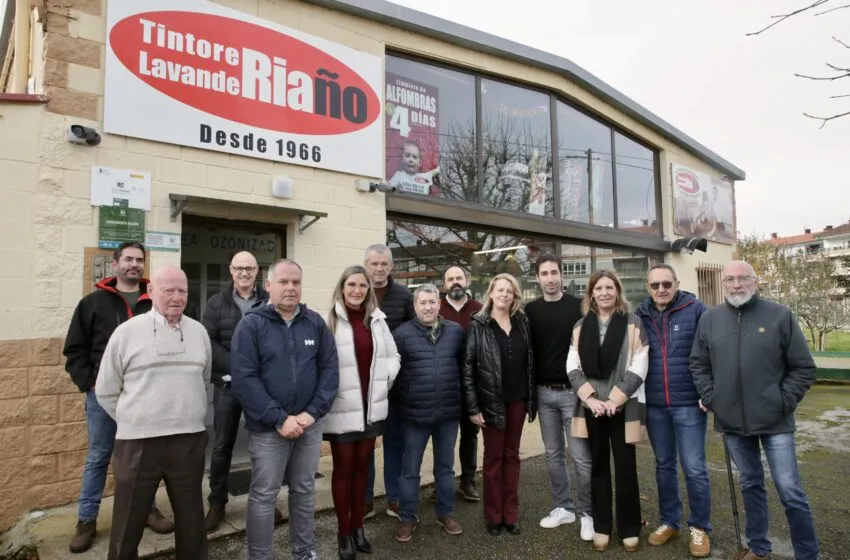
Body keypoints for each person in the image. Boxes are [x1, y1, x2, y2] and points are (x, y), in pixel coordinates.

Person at [690, 260, 819, 560]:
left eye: (743, 279)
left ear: (755, 281)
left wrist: (782, 402)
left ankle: (808, 554)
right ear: (723, 284)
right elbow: (698, 363)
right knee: (750, 484)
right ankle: (759, 548)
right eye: (730, 279)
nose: (736, 285)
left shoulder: (780, 316)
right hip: (732, 421)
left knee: (790, 491)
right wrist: (713, 397)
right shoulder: (710, 319)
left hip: (776, 421)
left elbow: (803, 368)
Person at [62, 241, 173, 554]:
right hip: (102, 397)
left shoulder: (155, 302)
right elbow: (75, 349)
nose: (134, 265)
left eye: (139, 260)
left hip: (144, 395)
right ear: (115, 264)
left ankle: (148, 509)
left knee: (145, 457)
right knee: (99, 457)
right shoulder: (93, 303)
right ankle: (86, 521)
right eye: (128, 259)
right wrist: (90, 384)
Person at [95, 265, 211, 560]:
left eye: (182, 290)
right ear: (150, 292)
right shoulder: (127, 333)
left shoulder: (198, 332)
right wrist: (136, 419)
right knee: (128, 523)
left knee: (192, 520)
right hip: (138, 442)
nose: (176, 297)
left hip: (188, 440)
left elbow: (203, 377)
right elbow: (106, 389)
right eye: (168, 290)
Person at [230, 259, 339, 560]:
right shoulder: (252, 324)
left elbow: (330, 371)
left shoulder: (314, 323)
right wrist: (279, 419)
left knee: (304, 490)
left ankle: (304, 552)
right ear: (268, 286)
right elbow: (244, 379)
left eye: (296, 282)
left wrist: (311, 413)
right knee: (264, 496)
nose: (291, 288)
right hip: (269, 429)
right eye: (283, 282)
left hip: (308, 425)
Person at [566, 269, 648, 553]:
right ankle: (602, 527)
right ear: (591, 293)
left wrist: (615, 399)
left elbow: (640, 364)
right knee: (598, 466)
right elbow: (572, 367)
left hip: (622, 407)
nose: (604, 293)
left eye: (609, 288)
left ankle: (629, 529)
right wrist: (592, 401)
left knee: (626, 467)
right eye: (598, 288)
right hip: (594, 407)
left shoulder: (633, 323)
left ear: (617, 291)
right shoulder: (580, 326)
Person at [323, 266, 400, 559]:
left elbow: (393, 356)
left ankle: (358, 529)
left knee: (361, 470)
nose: (357, 290)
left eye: (362, 286)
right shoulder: (328, 320)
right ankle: (343, 534)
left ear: (369, 290)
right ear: (342, 288)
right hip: (342, 408)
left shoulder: (377, 321)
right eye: (351, 285)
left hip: (371, 409)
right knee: (343, 470)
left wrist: (385, 379)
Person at [635, 263, 711, 558]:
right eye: (655, 286)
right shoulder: (640, 315)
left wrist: (708, 393)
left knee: (694, 468)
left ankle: (700, 526)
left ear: (677, 284)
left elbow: (710, 352)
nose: (661, 290)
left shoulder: (696, 309)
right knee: (664, 465)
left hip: (689, 403)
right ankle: (669, 521)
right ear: (647, 287)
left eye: (667, 284)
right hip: (655, 404)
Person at [202, 251, 279, 532]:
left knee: (263, 446)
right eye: (239, 268)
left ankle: (265, 504)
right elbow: (207, 340)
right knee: (222, 445)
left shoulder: (269, 302)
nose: (244, 273)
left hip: (261, 387)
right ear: (230, 271)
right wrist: (238, 365)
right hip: (228, 384)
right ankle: (217, 503)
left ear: (257, 271)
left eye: (249, 268)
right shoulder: (216, 303)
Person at [524, 254, 593, 540]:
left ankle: (588, 513)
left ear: (561, 276)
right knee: (553, 455)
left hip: (573, 395)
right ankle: (563, 508)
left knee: (581, 457)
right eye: (544, 273)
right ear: (537, 277)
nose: (550, 278)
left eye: (554, 272)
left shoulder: (579, 307)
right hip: (543, 394)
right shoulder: (530, 310)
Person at [463, 273, 535, 536]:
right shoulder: (478, 325)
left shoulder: (522, 322)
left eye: (510, 291)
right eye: (500, 290)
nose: (504, 295)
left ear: (514, 296)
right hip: (490, 402)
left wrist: (530, 399)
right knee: (493, 459)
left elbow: (529, 363)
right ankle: (493, 516)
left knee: (512, 457)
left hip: (517, 400)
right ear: (491, 293)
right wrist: (473, 408)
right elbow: (468, 369)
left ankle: (510, 514)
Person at [393, 283, 466, 543]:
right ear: (415, 306)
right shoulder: (401, 334)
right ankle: (407, 517)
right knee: (410, 470)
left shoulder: (455, 332)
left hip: (448, 413)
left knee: (445, 469)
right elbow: (393, 375)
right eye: (422, 303)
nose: (428, 307)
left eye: (432, 302)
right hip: (414, 416)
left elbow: (463, 367)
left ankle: (445, 512)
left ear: (439, 304)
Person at [362, 243, 414, 520]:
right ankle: (366, 499)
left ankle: (394, 498)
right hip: (364, 384)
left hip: (395, 383)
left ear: (391, 266)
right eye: (374, 263)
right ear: (365, 264)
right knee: (366, 443)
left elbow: (412, 336)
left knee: (395, 442)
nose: (379, 269)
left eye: (384, 264)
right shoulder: (356, 292)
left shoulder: (404, 297)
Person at [437, 265, 483, 502]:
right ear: (444, 283)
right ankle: (441, 483)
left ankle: (468, 480)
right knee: (442, 436)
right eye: (450, 279)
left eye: (459, 278)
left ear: (467, 280)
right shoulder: (435, 307)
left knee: (469, 434)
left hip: (471, 384)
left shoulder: (480, 310)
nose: (455, 282)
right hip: (442, 382)